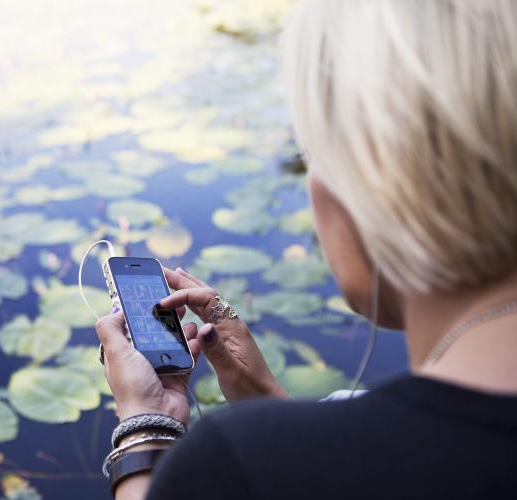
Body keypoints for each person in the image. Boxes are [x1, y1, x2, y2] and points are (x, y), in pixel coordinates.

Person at [94, 0, 517, 498]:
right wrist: (265, 400)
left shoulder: (230, 461)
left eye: (313, 154)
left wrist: (145, 427)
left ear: (369, 182)